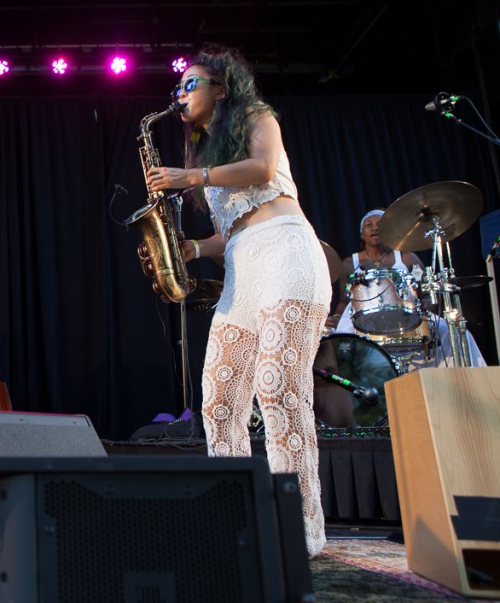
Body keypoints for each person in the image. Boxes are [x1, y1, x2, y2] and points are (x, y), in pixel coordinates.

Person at [146, 44, 331, 557]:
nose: (180, 94)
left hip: (288, 255)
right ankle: (237, 521)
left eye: (190, 84)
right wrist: (194, 248)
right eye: (178, 87)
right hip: (243, 272)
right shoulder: (205, 147)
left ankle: (301, 530)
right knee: (220, 402)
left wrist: (192, 178)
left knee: (277, 390)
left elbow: (265, 172)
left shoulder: (256, 115)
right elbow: (233, 231)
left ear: (221, 89)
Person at [330, 209, 486, 368]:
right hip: (363, 317)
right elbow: (344, 300)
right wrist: (336, 317)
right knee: (341, 345)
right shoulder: (349, 263)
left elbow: (427, 291)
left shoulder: (407, 257)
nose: (374, 228)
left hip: (406, 314)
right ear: (362, 234)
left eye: (380, 224)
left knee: (455, 333)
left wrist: (426, 305)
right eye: (368, 225)